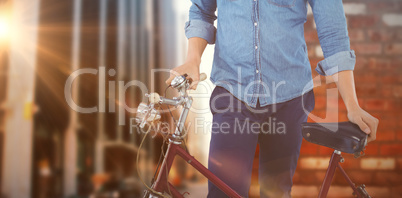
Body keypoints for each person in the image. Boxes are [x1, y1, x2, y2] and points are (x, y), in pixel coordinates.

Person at [166, 0, 379, 197]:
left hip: (291, 99)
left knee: (276, 192)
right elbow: (202, 11)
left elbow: (333, 33)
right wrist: (192, 60)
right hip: (233, 93)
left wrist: (352, 105)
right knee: (224, 191)